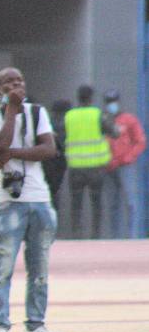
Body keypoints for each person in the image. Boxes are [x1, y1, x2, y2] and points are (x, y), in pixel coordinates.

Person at [0, 67, 66, 332]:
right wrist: (11, 111)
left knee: (39, 267)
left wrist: (10, 154)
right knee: (3, 266)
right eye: (8, 82)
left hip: (39, 199)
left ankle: (36, 324)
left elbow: (48, 150)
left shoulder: (37, 113)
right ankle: (1, 326)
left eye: (19, 80)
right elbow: (1, 141)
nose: (16, 85)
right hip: (7, 202)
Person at [64, 85, 111, 239]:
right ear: (91, 98)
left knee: (76, 202)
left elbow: (62, 136)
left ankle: (76, 234)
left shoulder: (69, 116)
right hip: (95, 167)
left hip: (75, 167)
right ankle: (95, 234)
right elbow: (114, 131)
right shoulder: (98, 114)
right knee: (96, 202)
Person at [101, 89, 146, 239]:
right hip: (109, 166)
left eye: (113, 102)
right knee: (113, 204)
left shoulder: (129, 119)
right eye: (108, 102)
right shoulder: (103, 120)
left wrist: (129, 157)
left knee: (131, 202)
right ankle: (116, 237)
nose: (111, 105)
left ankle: (133, 235)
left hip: (126, 166)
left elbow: (140, 141)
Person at [44, 100, 70, 214]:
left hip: (48, 161)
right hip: (59, 161)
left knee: (51, 192)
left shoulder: (47, 122)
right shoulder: (65, 123)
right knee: (55, 192)